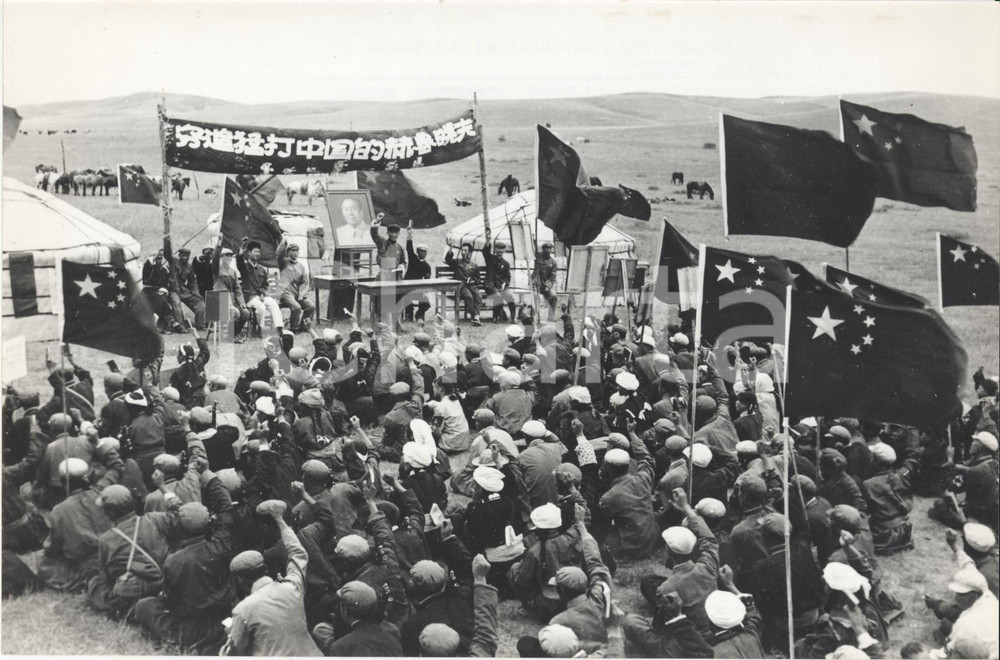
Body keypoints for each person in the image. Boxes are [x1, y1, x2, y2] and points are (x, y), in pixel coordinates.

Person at [224, 500, 322, 656]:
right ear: (265, 569)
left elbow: (234, 653)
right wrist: (280, 520)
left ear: (241, 580)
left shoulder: (243, 610)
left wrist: (231, 632)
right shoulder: (292, 587)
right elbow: (298, 553)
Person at [237, 239, 284, 336]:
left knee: (273, 304)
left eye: (259, 251)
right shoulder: (245, 267)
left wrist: (263, 293)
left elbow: (266, 285)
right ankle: (261, 329)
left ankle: (279, 328)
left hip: (261, 296)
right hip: (249, 297)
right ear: (249, 253)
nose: (258, 254)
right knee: (261, 307)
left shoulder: (262, 269)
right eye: (255, 251)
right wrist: (240, 254)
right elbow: (240, 263)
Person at [212, 244, 251, 343]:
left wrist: (241, 302)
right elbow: (215, 258)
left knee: (246, 313)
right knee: (236, 313)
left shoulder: (233, 271)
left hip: (230, 300)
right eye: (226, 255)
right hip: (219, 298)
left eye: (230, 256)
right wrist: (219, 245)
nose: (229, 257)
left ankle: (233, 334)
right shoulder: (216, 268)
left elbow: (237, 289)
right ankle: (230, 336)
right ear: (221, 257)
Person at [142, 249, 184, 334]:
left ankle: (169, 323)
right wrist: (155, 255)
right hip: (147, 291)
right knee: (160, 300)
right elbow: (148, 264)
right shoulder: (148, 268)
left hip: (159, 292)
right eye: (157, 258)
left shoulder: (164, 270)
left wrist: (163, 290)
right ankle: (171, 322)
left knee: (162, 299)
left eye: (161, 258)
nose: (159, 260)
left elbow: (165, 284)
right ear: (153, 259)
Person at [276, 241, 314, 333]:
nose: (295, 253)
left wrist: (301, 293)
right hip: (285, 292)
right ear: (288, 252)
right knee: (296, 307)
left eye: (297, 251)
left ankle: (304, 326)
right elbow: (279, 254)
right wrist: (284, 243)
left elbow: (305, 282)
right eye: (293, 251)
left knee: (311, 306)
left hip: (297, 293)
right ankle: (294, 329)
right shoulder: (283, 262)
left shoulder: (301, 266)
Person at [445, 243, 483, 326]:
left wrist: (473, 280)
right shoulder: (457, 262)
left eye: (465, 250)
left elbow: (478, 279)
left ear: (470, 253)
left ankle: (476, 316)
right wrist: (450, 249)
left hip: (471, 286)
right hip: (461, 286)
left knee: (478, 296)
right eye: (462, 250)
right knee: (469, 297)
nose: (463, 252)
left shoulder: (474, 265)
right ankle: (475, 316)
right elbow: (448, 260)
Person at [172, 247, 207, 330]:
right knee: (176, 303)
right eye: (183, 255)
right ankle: (181, 327)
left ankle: (200, 324)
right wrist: (167, 239)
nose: (186, 257)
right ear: (179, 255)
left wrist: (197, 293)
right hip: (173, 290)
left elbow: (193, 282)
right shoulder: (173, 261)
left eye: (187, 255)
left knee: (200, 302)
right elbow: (167, 253)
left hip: (184, 291)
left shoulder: (189, 266)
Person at [404, 221, 432, 321]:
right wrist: (409, 234)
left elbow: (427, 280)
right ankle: (409, 316)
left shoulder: (427, 266)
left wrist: (424, 291)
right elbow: (409, 248)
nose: (422, 253)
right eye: (420, 251)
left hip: (418, 289)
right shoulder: (413, 259)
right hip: (407, 287)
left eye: (424, 252)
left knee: (426, 303)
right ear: (417, 252)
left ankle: (419, 315)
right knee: (407, 299)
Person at [483, 239, 517, 323]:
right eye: (498, 248)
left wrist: (505, 284)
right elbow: (485, 251)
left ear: (504, 250)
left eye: (502, 249)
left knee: (510, 297)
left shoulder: (506, 264)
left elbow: (508, 277)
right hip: (490, 285)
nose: (500, 251)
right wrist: (487, 240)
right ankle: (496, 317)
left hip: (501, 286)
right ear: (495, 249)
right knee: (497, 295)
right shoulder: (490, 259)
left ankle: (513, 316)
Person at [532, 242, 559, 321]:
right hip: (537, 283)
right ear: (543, 249)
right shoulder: (538, 258)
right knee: (535, 296)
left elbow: (553, 276)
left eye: (550, 248)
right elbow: (535, 272)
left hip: (546, 284)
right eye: (546, 248)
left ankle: (551, 316)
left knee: (553, 296)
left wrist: (548, 286)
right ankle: (533, 315)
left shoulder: (553, 262)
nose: (549, 250)